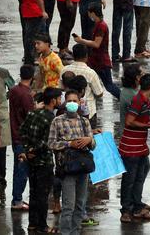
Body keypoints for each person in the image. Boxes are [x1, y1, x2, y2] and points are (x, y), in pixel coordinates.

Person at [48, 89, 96, 235]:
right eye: (69, 101)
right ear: (65, 102)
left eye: (75, 101)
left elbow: (93, 145)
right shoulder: (57, 121)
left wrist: (89, 140)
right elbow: (51, 144)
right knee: (68, 206)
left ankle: (75, 232)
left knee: (80, 205)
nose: (72, 104)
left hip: (83, 168)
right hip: (67, 168)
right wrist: (69, 144)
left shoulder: (84, 121)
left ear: (80, 103)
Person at [119, 73, 150, 224]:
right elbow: (129, 122)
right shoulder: (139, 100)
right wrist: (148, 125)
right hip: (131, 147)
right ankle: (126, 210)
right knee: (129, 179)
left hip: (140, 146)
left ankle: (137, 205)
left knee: (140, 175)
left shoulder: (144, 99)